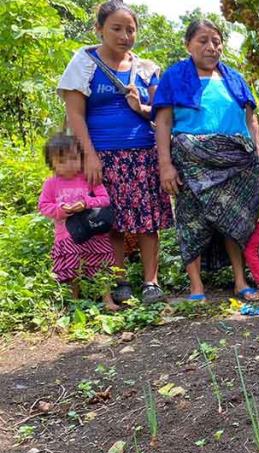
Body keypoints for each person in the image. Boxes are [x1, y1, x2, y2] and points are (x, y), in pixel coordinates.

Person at [58, 0, 173, 305]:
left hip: (143, 153)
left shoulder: (146, 68)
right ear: (99, 29)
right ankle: (119, 279)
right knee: (112, 221)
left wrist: (141, 107)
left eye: (130, 29)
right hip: (103, 157)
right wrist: (90, 155)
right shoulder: (83, 64)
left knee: (148, 221)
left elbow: (160, 115)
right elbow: (76, 115)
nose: (125, 35)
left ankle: (151, 281)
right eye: (117, 29)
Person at [153, 20, 259, 302]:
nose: (211, 47)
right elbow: (164, 122)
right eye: (203, 41)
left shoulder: (235, 78)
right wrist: (165, 164)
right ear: (187, 45)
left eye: (216, 41)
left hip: (237, 164)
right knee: (191, 220)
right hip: (191, 165)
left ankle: (240, 281)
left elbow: (252, 120)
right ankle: (196, 287)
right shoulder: (174, 77)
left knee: (234, 218)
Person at [38, 132, 117, 311]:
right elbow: (43, 206)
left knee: (101, 265)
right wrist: (61, 209)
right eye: (62, 161)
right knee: (71, 270)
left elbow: (104, 200)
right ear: (52, 163)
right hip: (67, 235)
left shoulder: (89, 178)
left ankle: (107, 300)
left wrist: (86, 203)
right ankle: (74, 303)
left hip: (93, 233)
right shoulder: (51, 184)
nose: (69, 164)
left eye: (74, 158)